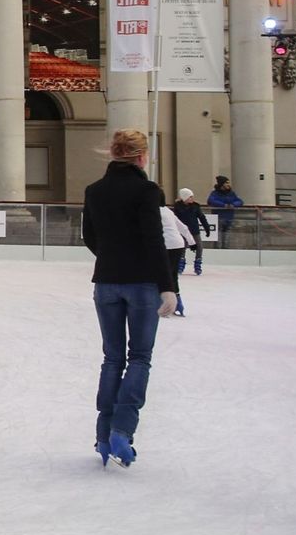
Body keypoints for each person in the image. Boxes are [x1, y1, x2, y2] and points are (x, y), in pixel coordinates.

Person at [80, 128, 172, 468]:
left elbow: (89, 235)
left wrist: (110, 257)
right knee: (140, 357)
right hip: (142, 283)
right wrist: (168, 286)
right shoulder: (147, 190)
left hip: (106, 282)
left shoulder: (95, 190)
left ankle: (104, 434)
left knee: (112, 358)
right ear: (141, 157)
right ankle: (122, 428)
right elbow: (154, 239)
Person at [159, 204, 197, 317]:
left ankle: (166, 304)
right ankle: (178, 304)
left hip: (165, 244)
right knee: (173, 274)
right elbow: (183, 227)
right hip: (178, 244)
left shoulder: (153, 211)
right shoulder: (168, 211)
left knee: (163, 274)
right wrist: (192, 242)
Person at [170, 188, 212, 277]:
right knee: (182, 248)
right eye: (190, 197)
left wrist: (207, 228)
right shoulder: (177, 207)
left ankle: (198, 264)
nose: (192, 199)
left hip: (194, 231)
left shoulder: (195, 206)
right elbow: (174, 219)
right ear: (184, 198)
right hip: (183, 232)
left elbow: (202, 217)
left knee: (199, 247)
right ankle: (180, 265)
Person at [207, 175, 243, 249]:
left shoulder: (231, 193)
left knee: (227, 237)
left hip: (229, 218)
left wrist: (233, 205)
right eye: (226, 183)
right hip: (218, 218)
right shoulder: (215, 193)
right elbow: (211, 200)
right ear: (222, 184)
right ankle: (217, 251)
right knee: (218, 237)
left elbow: (240, 201)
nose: (228, 185)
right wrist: (223, 205)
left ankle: (226, 250)